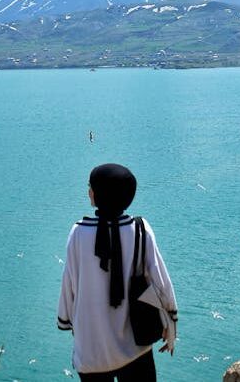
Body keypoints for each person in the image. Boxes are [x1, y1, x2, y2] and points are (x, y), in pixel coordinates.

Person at [57, 163, 178, 381]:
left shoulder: (78, 232)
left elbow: (70, 284)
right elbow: (161, 281)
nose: (88, 191)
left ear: (98, 193)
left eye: (90, 187)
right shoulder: (140, 229)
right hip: (135, 345)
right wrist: (171, 322)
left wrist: (66, 320)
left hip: (92, 349)